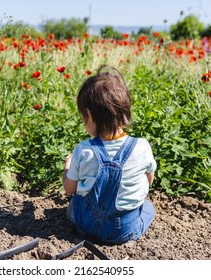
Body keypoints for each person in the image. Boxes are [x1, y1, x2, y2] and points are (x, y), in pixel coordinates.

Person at [63, 65, 156, 245]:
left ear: (89, 116)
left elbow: (70, 189)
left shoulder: (83, 150)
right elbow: (149, 181)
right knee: (148, 208)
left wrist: (67, 168)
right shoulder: (142, 147)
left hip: (86, 225)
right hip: (122, 229)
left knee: (74, 206)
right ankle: (128, 236)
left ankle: (83, 231)